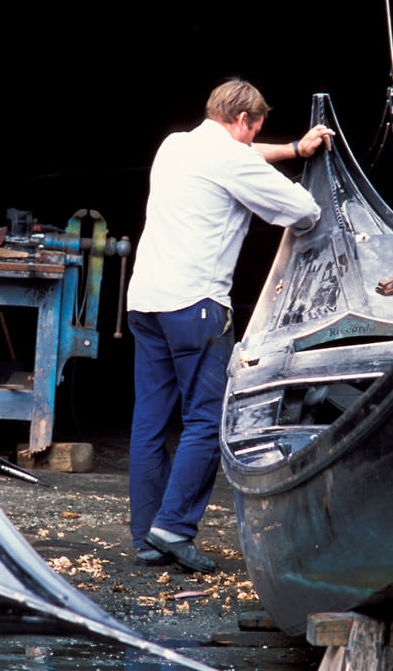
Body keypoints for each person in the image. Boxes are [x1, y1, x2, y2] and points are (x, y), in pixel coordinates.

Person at [126, 79, 335, 573]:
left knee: (150, 421)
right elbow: (304, 211)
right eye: (253, 131)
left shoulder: (176, 144)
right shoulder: (233, 159)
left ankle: (146, 538)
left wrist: (289, 148)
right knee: (205, 420)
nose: (252, 140)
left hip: (145, 302)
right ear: (244, 121)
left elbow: (236, 154)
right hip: (195, 305)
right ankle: (174, 528)